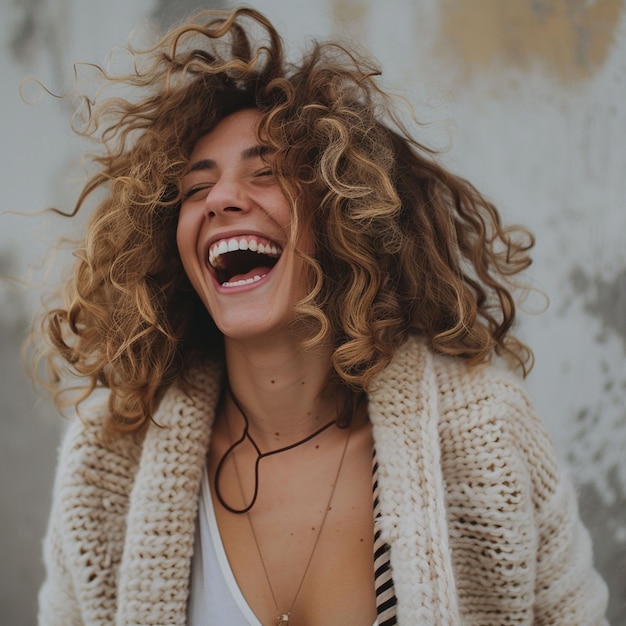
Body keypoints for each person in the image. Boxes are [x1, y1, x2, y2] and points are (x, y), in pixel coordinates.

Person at [34, 7, 609, 626]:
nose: (224, 198)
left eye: (268, 173)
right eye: (196, 189)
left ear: (343, 216)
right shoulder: (106, 460)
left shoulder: (487, 436)